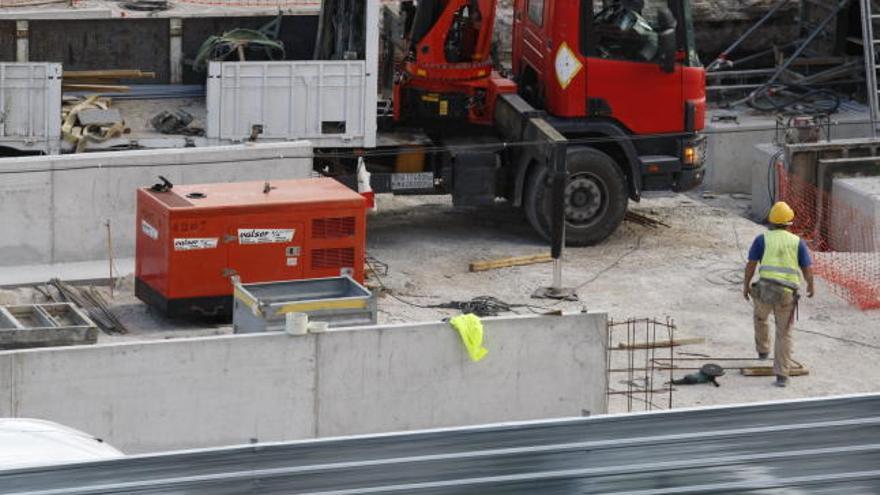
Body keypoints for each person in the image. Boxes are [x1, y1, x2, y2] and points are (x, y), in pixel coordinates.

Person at [742, 201, 815, 388]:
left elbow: (751, 265)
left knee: (760, 318)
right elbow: (807, 268)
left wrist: (746, 285)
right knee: (784, 333)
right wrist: (810, 286)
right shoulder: (797, 242)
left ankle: (763, 351)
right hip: (786, 293)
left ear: (771, 221)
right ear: (790, 222)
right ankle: (782, 375)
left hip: (764, 290)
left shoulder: (761, 239)